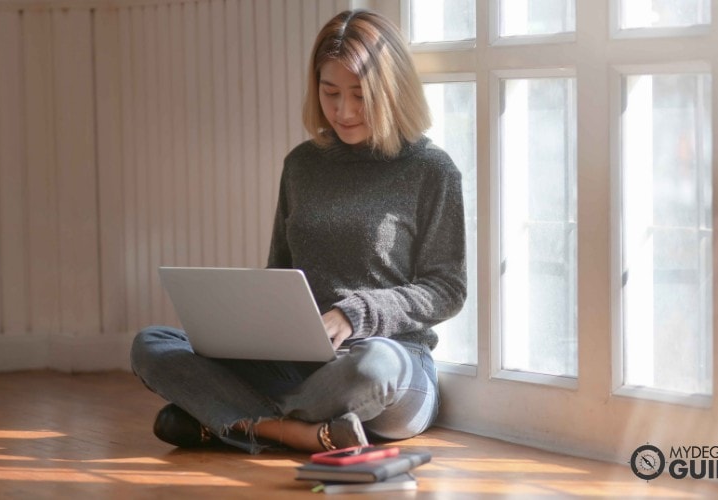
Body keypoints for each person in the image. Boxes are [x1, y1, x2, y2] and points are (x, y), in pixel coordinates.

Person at [130, 9, 466, 454]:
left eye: (360, 95)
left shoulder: (431, 170)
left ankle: (232, 421)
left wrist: (357, 313)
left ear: (391, 89)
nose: (343, 111)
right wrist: (251, 325)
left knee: (373, 369)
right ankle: (298, 431)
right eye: (330, 93)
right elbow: (280, 271)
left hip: (390, 365)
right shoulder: (302, 164)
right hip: (297, 362)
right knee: (151, 344)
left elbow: (447, 288)